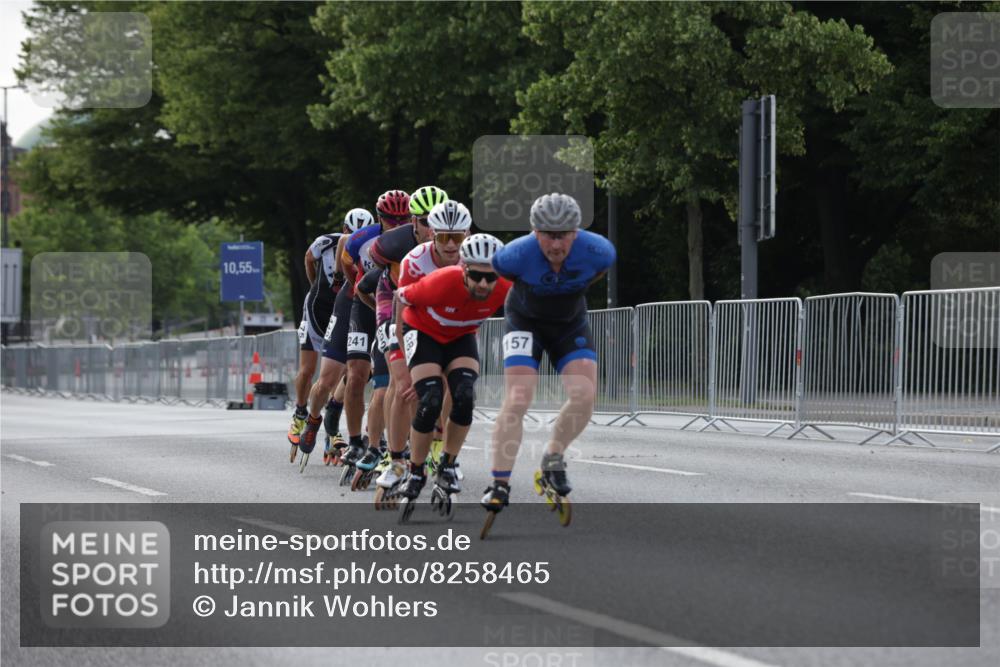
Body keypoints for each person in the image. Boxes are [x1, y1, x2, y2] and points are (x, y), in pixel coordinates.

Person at [480, 193, 615, 531]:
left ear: (577, 232)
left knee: (585, 393)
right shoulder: (511, 256)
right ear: (533, 232)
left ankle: (553, 457)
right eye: (547, 234)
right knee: (519, 397)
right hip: (524, 320)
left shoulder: (599, 251)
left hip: (570, 323)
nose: (556, 243)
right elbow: (503, 280)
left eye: (564, 234)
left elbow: (594, 274)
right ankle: (499, 483)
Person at [392, 233, 510, 523]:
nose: (484, 284)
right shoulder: (440, 282)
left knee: (465, 395)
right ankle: (416, 470)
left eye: (490, 278)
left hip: (460, 337)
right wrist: (398, 341)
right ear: (464, 270)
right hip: (423, 332)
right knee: (430, 399)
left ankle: (446, 463)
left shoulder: (507, 287)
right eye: (477, 276)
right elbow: (401, 296)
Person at [297, 191, 409, 468]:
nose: (396, 224)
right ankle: (314, 419)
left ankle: (366, 438)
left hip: (392, 305)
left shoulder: (413, 239)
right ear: (380, 218)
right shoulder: (360, 239)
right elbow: (346, 262)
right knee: (336, 377)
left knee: (380, 376)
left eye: (402, 219)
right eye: (390, 219)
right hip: (356, 300)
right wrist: (355, 286)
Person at [375, 200, 473, 504]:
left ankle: (445, 459)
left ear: (467, 234)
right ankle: (396, 461)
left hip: (456, 330)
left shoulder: (475, 258)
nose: (452, 245)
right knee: (406, 388)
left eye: (458, 237)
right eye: (444, 237)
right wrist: (400, 358)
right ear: (433, 235)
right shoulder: (414, 261)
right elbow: (401, 311)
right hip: (416, 327)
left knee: (460, 392)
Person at [287, 208, 371, 455]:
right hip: (317, 309)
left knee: (343, 371)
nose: (355, 238)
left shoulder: (371, 248)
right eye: (350, 232)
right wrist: (315, 285)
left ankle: (331, 427)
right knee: (308, 371)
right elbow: (307, 258)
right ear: (344, 230)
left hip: (343, 311)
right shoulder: (326, 242)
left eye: (361, 234)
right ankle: (300, 412)